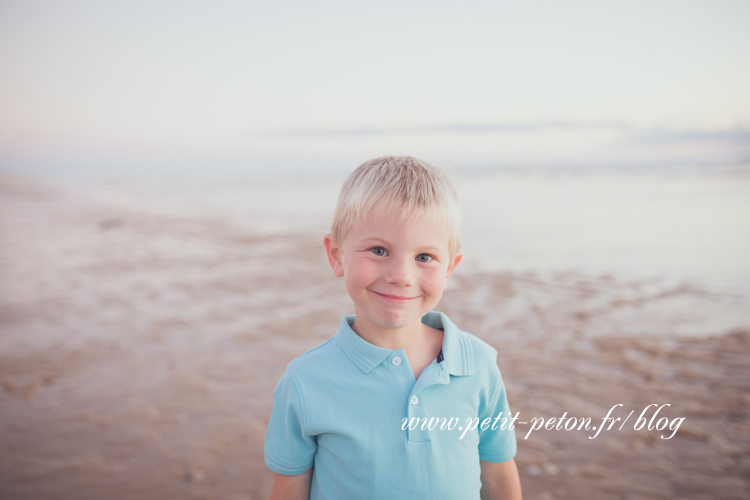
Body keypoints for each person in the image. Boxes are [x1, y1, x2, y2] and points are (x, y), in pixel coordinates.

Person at [264, 156, 522, 499]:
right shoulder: (306, 381)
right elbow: (289, 490)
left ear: (450, 267)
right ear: (337, 255)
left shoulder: (478, 364)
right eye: (379, 250)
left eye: (424, 257)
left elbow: (499, 475)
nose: (401, 276)